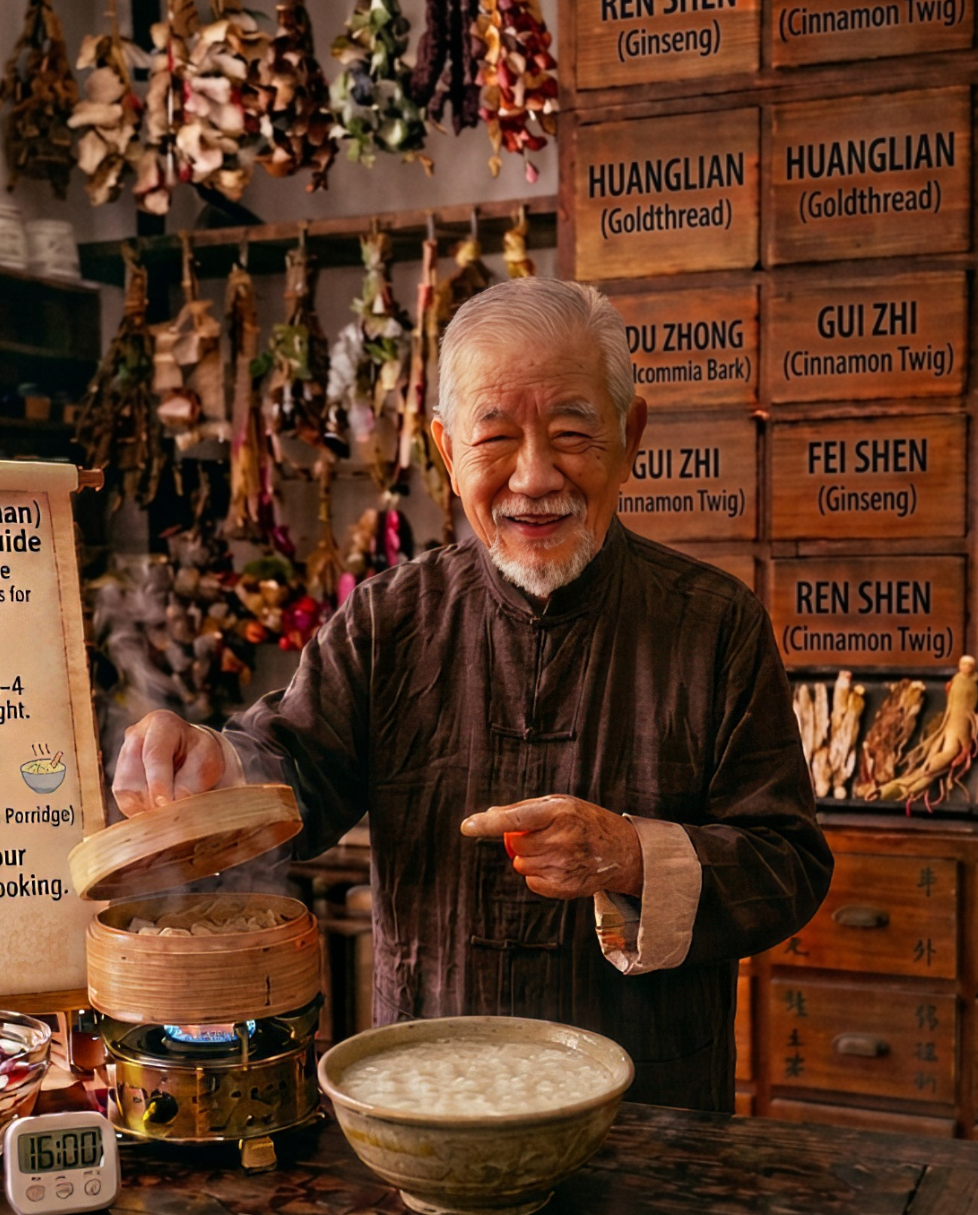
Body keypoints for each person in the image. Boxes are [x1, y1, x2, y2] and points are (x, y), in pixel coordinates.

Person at [113, 277, 832, 1112]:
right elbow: (293, 764)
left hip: (647, 1114)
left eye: (572, 433)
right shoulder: (389, 619)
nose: (534, 476)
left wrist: (633, 856)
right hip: (428, 1102)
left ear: (630, 436)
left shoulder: (714, 624)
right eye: (495, 438)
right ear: (448, 450)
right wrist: (211, 763)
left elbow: (788, 863)